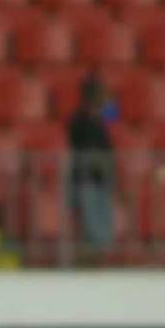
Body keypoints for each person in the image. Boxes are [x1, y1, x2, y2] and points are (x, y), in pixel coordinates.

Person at [68, 75, 116, 251]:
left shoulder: (101, 119)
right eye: (101, 94)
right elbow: (83, 148)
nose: (104, 99)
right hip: (86, 179)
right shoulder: (79, 120)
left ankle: (103, 250)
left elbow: (115, 117)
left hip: (101, 179)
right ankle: (92, 252)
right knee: (90, 220)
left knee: (104, 218)